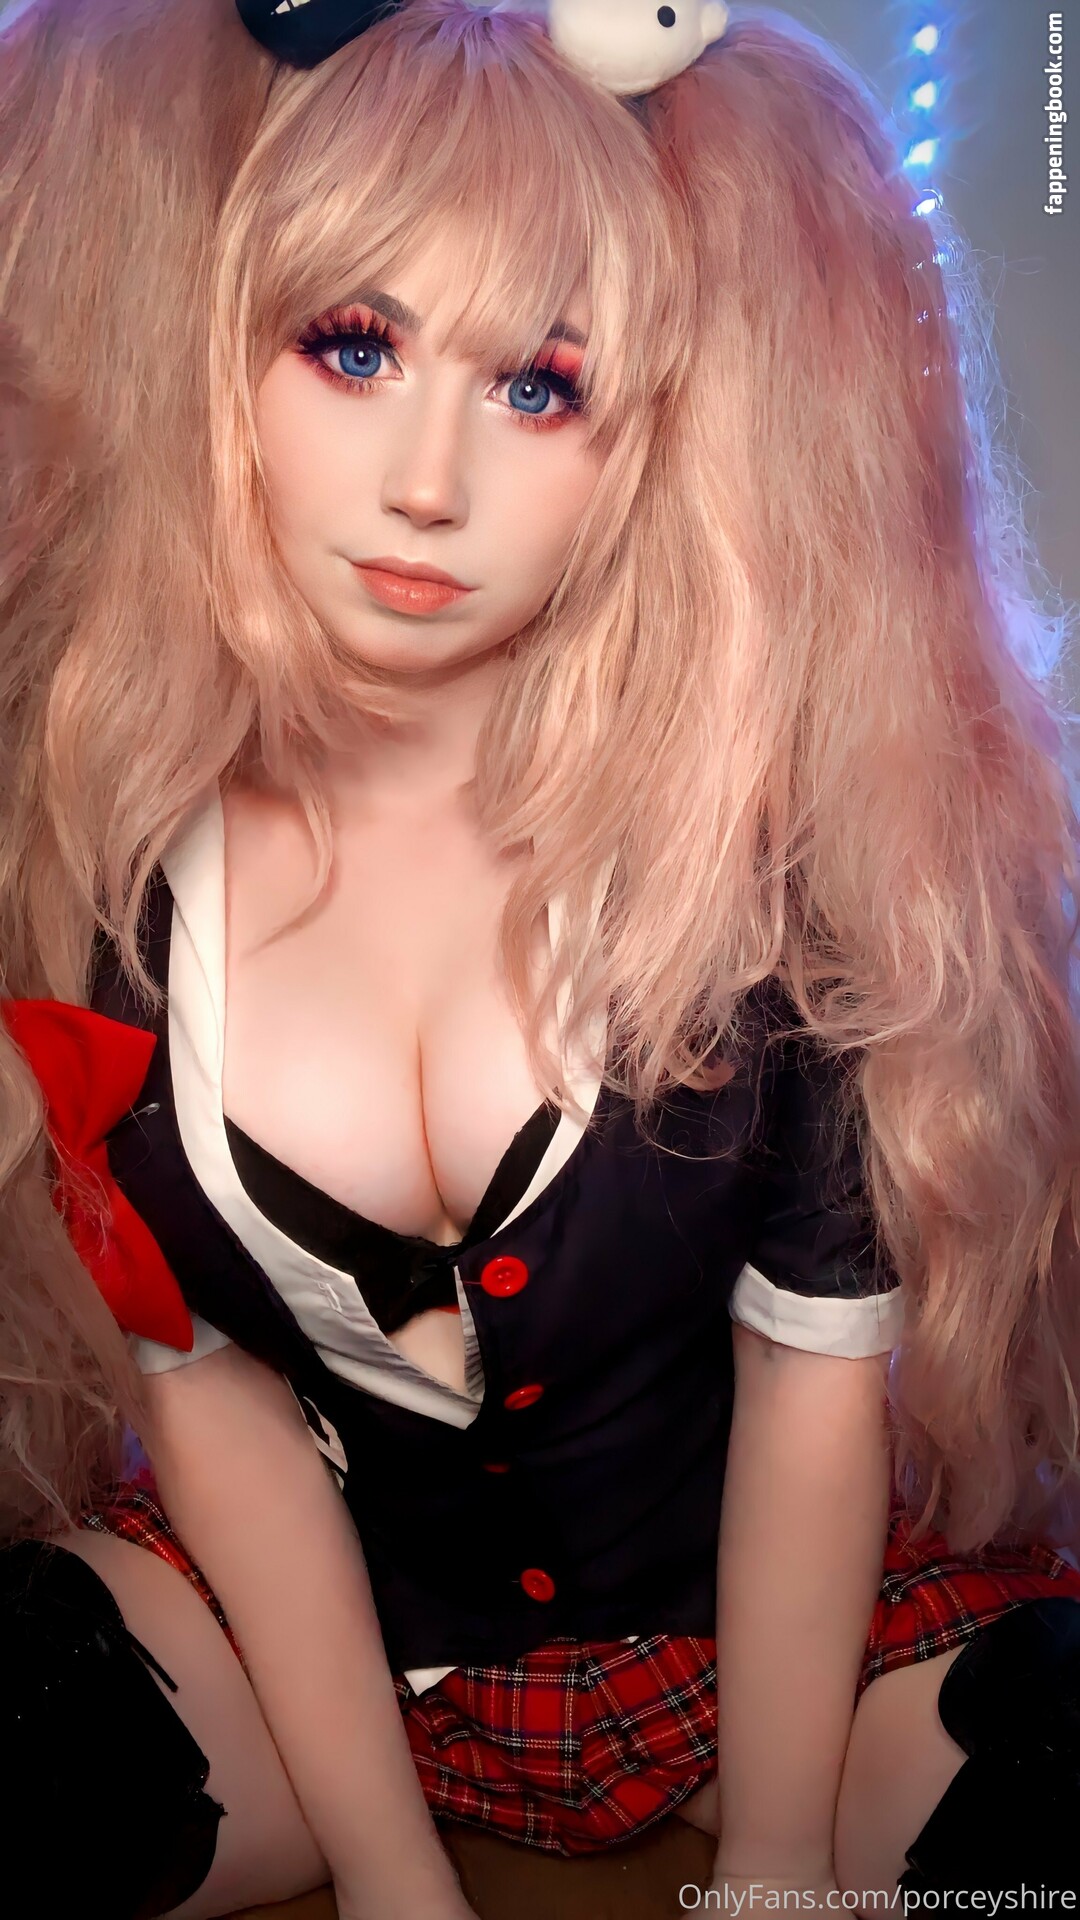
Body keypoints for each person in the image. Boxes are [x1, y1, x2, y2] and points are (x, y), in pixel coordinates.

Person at [2, 1, 1080, 1915]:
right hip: (330, 1673)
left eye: (539, 386)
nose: (427, 481)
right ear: (206, 345)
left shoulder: (770, 883)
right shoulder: (99, 895)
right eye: (352, 346)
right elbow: (217, 1411)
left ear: (664, 430)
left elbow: (810, 1384)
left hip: (782, 1648)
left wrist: (776, 1869)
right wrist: (396, 1886)